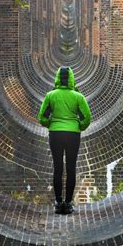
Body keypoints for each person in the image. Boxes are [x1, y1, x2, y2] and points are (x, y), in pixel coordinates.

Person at [37, 67, 92, 215]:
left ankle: (57, 202)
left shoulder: (50, 95)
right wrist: (79, 126)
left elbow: (42, 116)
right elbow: (87, 117)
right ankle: (68, 203)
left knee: (58, 168)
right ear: (72, 79)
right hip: (73, 134)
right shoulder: (78, 97)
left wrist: (51, 124)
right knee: (71, 168)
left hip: (55, 133)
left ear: (56, 78)